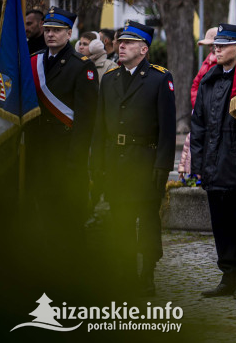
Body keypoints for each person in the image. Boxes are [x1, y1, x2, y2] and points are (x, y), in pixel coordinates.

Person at [93, 21, 175, 295]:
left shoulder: (159, 78)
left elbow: (167, 129)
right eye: (119, 41)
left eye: (128, 42)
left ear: (143, 48)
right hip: (116, 163)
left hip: (145, 161)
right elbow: (100, 128)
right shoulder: (110, 79)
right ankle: (126, 273)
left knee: (148, 222)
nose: (121, 45)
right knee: (120, 222)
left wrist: (162, 167)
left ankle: (147, 273)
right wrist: (98, 166)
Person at [22, 7, 98, 277]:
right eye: (48, 29)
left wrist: (75, 162)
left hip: (66, 156)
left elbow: (86, 121)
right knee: (40, 216)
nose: (50, 34)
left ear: (69, 33)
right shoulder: (33, 61)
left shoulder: (82, 67)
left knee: (68, 218)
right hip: (37, 154)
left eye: (57, 30)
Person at [190, 24, 236, 300]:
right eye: (215, 45)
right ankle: (228, 275)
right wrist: (199, 166)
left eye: (223, 45)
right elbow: (199, 127)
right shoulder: (209, 79)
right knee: (221, 227)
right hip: (213, 167)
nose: (216, 49)